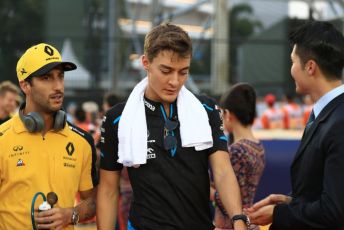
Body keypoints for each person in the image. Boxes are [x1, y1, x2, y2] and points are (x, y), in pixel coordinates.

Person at [97, 23, 248, 230]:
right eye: (166, 71)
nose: (175, 81)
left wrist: (238, 219)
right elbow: (108, 190)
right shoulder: (117, 118)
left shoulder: (206, 109)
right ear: (145, 62)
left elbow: (222, 170)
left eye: (183, 72)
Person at [246, 20, 344, 229]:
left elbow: (334, 211)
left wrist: (280, 213)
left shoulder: (339, 122)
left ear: (310, 67)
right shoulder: (326, 113)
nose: (291, 70)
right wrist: (290, 202)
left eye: (292, 61)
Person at [0, 43, 98, 229]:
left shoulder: (82, 141)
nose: (58, 86)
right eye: (47, 78)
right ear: (25, 85)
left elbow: (92, 202)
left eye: (60, 76)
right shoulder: (2, 139)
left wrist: (71, 214)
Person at [213, 83, 265, 230]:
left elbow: (228, 197)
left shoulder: (237, 150)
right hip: (249, 222)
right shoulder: (258, 146)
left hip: (232, 225)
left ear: (228, 115)